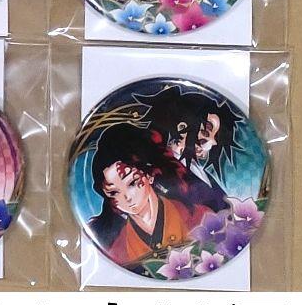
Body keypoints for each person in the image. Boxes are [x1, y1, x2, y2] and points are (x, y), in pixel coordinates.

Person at [88, 123, 205, 268]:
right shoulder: (116, 247)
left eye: (132, 183)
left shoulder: (199, 217)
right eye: (113, 192)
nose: (127, 197)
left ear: (149, 175)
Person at [147, 86, 239, 212]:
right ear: (181, 128)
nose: (213, 143)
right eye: (206, 133)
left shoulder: (198, 168)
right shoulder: (160, 168)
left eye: (215, 136)